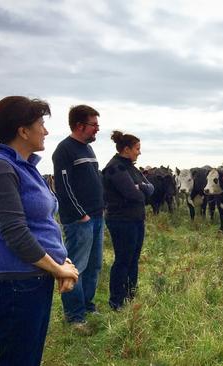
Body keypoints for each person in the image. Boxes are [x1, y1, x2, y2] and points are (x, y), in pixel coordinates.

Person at [0, 96, 79, 365]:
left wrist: (60, 260)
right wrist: (58, 269)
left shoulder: (25, 167)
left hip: (32, 276)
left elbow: (41, 223)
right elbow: (15, 233)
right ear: (23, 131)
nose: (45, 130)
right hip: (16, 281)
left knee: (28, 358)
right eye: (41, 124)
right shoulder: (0, 167)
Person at [52, 105, 104, 326]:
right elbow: (63, 187)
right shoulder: (64, 150)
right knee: (76, 268)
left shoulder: (88, 150)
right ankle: (75, 317)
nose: (97, 129)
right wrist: (80, 214)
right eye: (94, 125)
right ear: (79, 126)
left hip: (96, 216)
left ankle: (87, 306)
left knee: (94, 265)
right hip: (79, 220)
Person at [102, 131, 154, 310]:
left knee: (133, 259)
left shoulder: (130, 167)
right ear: (126, 149)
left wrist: (142, 187)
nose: (139, 152)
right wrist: (141, 189)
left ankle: (131, 296)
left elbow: (151, 188)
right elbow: (133, 195)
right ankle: (116, 301)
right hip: (122, 221)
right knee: (123, 260)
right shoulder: (115, 168)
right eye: (137, 149)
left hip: (136, 219)